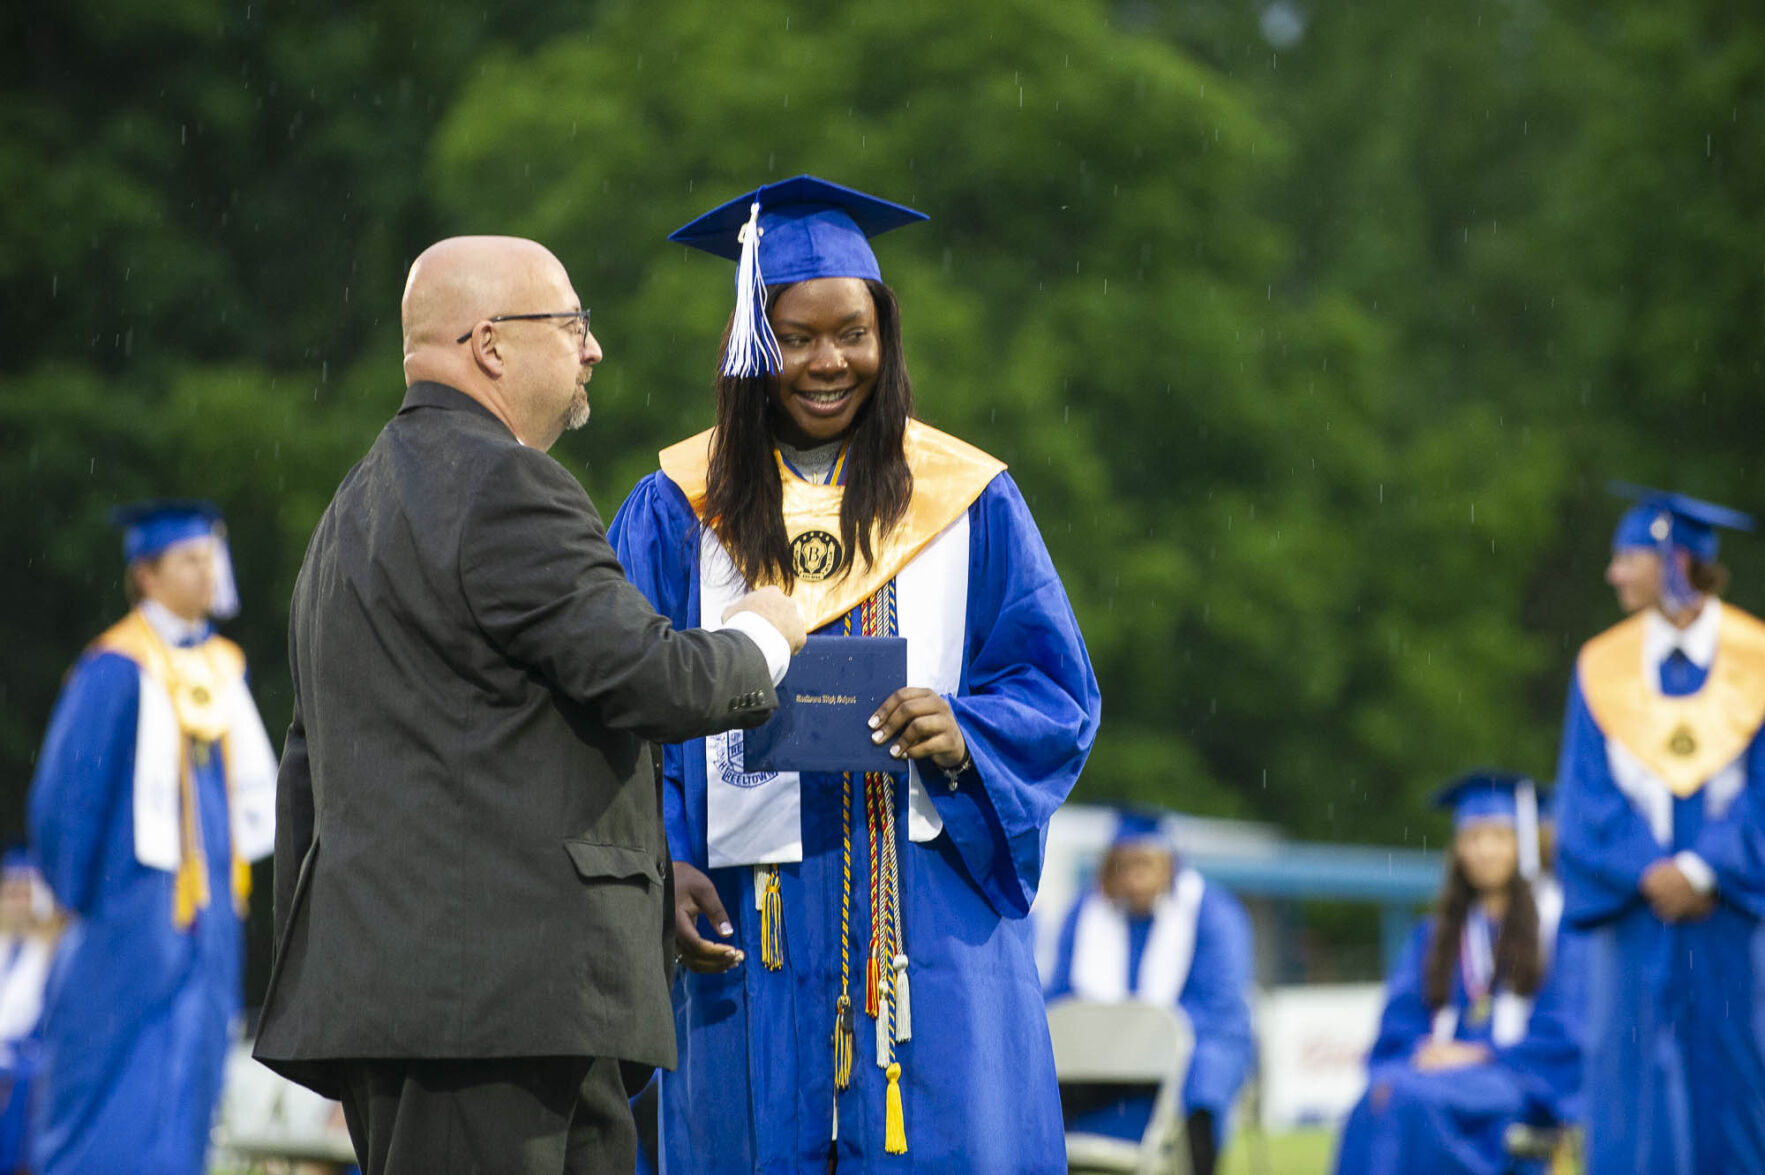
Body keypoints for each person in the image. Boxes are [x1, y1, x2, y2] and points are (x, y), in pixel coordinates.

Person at [250, 235, 806, 1175]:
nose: (592, 349)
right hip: (496, 1013)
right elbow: (650, 677)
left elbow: (323, 771)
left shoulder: (353, 509)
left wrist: (647, 885)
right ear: (490, 344)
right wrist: (764, 633)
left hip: (412, 1000)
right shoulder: (504, 484)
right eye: (573, 324)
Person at [610, 175, 1101, 1173]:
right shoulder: (673, 510)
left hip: (929, 914)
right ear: (749, 345)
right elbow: (617, 713)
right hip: (743, 923)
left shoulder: (968, 500)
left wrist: (964, 730)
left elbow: (1053, 690)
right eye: (794, 335)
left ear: (887, 335)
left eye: (852, 331)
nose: (827, 362)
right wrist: (657, 866)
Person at [27, 500, 279, 1175]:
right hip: (129, 913)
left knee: (193, 1084)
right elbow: (65, 804)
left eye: (210, 557)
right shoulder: (114, 669)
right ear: (146, 574)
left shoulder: (225, 667)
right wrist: (87, 902)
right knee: (115, 1083)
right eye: (188, 560)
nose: (207, 572)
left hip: (212, 919)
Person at [1555, 486, 1765, 1173]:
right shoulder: (1600, 666)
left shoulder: (1755, 658)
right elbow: (1585, 795)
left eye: (1628, 558)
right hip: (1635, 913)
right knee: (1627, 1091)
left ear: (1674, 562)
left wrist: (1705, 869)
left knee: (1735, 1084)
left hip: (1732, 913)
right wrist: (1650, 870)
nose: (1614, 574)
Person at [1333, 771, 1584, 1175]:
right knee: (1374, 1102)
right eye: (1473, 838)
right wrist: (1420, 1055)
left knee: (1415, 1103)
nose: (1485, 851)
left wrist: (1479, 1054)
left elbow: (1568, 1033)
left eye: (1499, 837)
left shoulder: (1558, 928)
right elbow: (1399, 1025)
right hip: (1438, 1079)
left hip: (1519, 1081)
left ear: (1523, 844)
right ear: (1458, 849)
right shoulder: (1436, 935)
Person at [1043, 809, 1255, 1175]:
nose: (1135, 875)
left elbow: (1220, 1003)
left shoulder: (1212, 913)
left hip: (1194, 1040)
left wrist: (1141, 1038)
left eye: (1146, 862)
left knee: (1206, 1069)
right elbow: (1061, 995)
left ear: (1170, 865)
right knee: (1049, 1067)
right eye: (1125, 864)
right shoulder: (1086, 913)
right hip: (1103, 1052)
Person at [0, 849, 59, 1172]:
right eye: (10, 893)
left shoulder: (55, 952)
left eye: (24, 894)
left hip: (26, 1078)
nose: (16, 903)